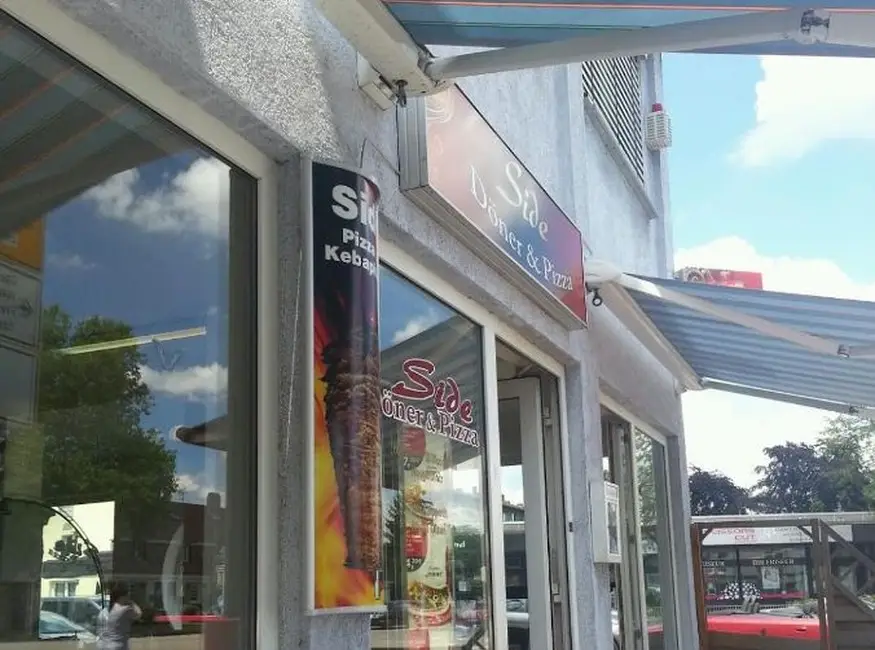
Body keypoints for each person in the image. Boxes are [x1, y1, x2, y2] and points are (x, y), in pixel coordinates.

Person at [97, 582, 141, 650]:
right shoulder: (125, 609)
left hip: (102, 646)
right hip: (118, 646)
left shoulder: (103, 612)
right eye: (128, 595)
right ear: (122, 596)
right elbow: (139, 614)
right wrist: (131, 602)